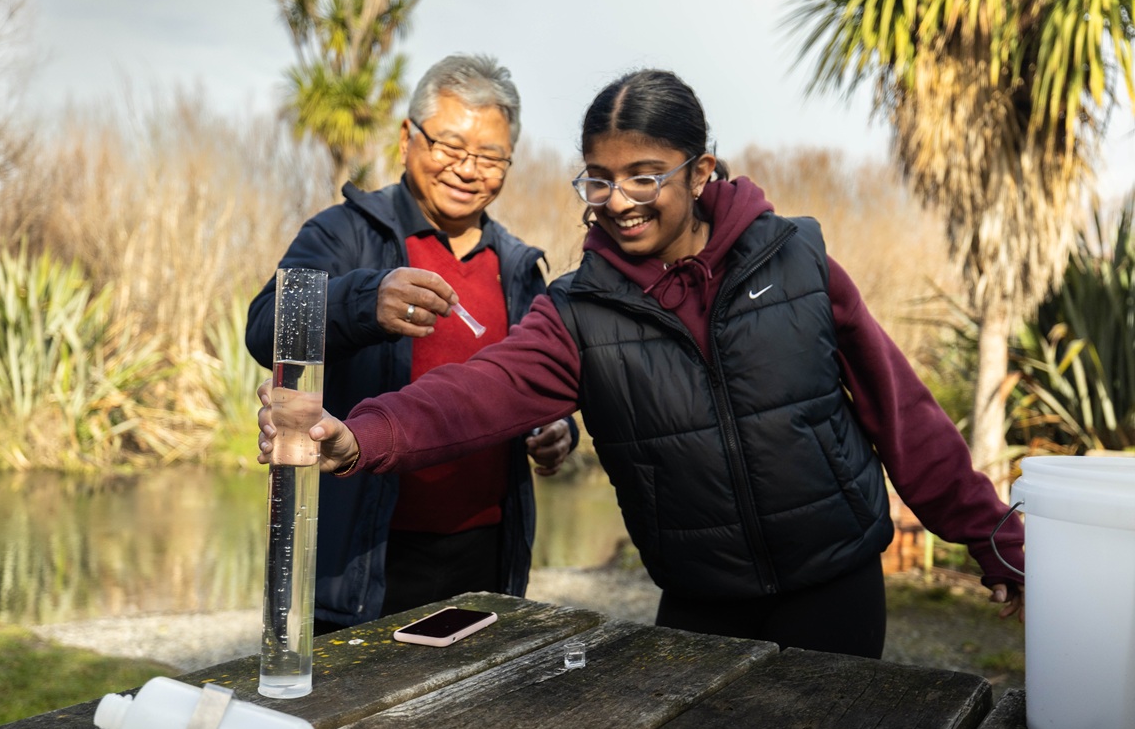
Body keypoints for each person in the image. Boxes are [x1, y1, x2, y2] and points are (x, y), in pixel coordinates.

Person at [255, 69, 1025, 658]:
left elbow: (905, 417)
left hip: (837, 585)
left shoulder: (796, 260)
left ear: (701, 173)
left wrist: (992, 539)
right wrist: (357, 437)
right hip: (698, 600)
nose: (618, 199)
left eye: (645, 175)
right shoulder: (577, 308)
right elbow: (475, 393)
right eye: (599, 177)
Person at [245, 54, 577, 633]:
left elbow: (545, 381)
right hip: (363, 555)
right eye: (449, 146)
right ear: (407, 138)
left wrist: (559, 429)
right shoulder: (345, 233)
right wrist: (364, 302)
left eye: (490, 157)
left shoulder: (519, 267)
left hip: (485, 551)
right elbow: (264, 325)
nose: (467, 169)